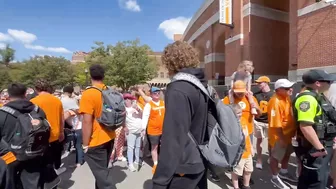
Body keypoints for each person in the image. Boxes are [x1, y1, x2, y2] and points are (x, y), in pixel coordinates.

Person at [152, 41, 208, 189]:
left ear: (169, 62)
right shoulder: (200, 86)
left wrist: (160, 180)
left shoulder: (177, 88)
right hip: (200, 160)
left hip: (183, 166)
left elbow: (173, 137)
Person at [293, 70, 336, 189]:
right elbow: (305, 126)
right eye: (328, 81)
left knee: (319, 179)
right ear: (318, 83)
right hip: (314, 149)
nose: (330, 83)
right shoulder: (307, 99)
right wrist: (320, 148)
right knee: (315, 182)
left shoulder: (319, 96)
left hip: (322, 146)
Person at [0, 83, 46, 189]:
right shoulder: (37, 110)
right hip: (34, 154)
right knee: (33, 184)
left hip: (10, 157)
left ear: (8, 95)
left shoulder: (2, 113)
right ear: (25, 93)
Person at [79, 64, 116, 189]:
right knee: (101, 174)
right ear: (103, 76)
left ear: (90, 76)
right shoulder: (109, 90)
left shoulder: (89, 93)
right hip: (110, 135)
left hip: (96, 140)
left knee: (103, 177)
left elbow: (86, 121)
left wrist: (85, 144)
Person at [30, 79, 65, 188]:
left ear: (36, 89)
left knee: (41, 164)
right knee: (50, 162)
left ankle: (47, 183)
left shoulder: (33, 102)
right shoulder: (57, 100)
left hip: (40, 137)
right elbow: (62, 118)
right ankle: (51, 182)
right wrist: (62, 131)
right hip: (54, 136)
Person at [268, 79, 297, 189]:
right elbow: (276, 124)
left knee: (287, 154)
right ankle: (275, 177)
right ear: (278, 90)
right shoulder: (275, 102)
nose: (291, 89)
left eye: (290, 87)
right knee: (275, 157)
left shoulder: (286, 97)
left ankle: (283, 173)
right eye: (287, 88)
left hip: (288, 134)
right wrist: (281, 139)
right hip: (278, 136)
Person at [142, 86, 165, 174]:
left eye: (158, 93)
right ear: (151, 94)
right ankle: (155, 163)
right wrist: (143, 128)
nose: (157, 94)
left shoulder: (163, 103)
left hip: (163, 130)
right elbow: (145, 117)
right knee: (154, 147)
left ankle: (163, 162)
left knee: (164, 146)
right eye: (155, 93)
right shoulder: (149, 105)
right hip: (153, 130)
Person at [231, 104, 253, 189]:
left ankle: (246, 185)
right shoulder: (231, 124)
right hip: (238, 154)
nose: (240, 114)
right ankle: (236, 187)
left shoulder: (243, 120)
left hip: (247, 152)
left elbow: (247, 136)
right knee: (236, 172)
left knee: (249, 170)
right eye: (237, 113)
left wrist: (251, 147)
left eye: (240, 112)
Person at [61, 85, 84, 167]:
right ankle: (79, 161)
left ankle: (79, 161)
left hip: (74, 126)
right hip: (78, 125)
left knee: (77, 145)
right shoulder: (73, 101)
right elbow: (79, 111)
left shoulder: (61, 100)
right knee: (78, 145)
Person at [254, 76, 274, 169]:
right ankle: (259, 159)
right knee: (259, 140)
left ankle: (270, 157)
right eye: (258, 83)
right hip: (259, 121)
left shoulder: (274, 94)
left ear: (266, 83)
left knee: (271, 142)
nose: (258, 85)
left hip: (270, 122)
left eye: (260, 83)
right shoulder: (256, 95)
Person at [123, 93, 145, 172]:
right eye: (125, 99)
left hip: (138, 130)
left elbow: (142, 115)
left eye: (129, 99)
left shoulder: (136, 106)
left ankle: (137, 160)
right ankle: (130, 164)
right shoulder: (124, 109)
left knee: (138, 147)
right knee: (130, 148)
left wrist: (137, 109)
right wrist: (125, 127)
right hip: (131, 131)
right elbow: (122, 119)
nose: (127, 100)